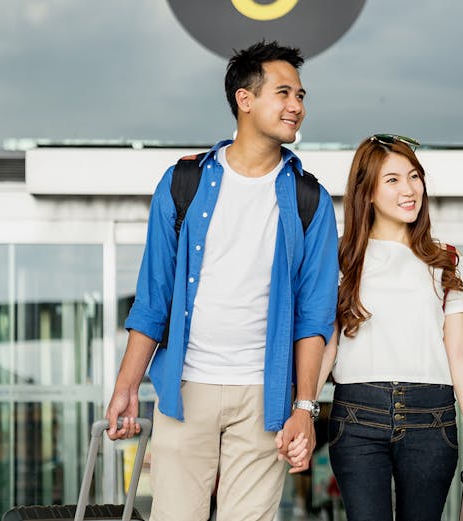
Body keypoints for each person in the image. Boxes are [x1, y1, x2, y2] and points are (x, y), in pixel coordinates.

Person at [105, 40, 339, 521]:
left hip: (264, 395)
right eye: (284, 92)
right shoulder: (182, 183)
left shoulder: (309, 199)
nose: (297, 105)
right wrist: (127, 385)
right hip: (185, 388)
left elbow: (315, 316)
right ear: (245, 99)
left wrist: (305, 407)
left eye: (301, 96)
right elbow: (154, 297)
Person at [318, 134, 463, 521]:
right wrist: (301, 411)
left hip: (432, 418)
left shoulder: (446, 259)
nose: (409, 189)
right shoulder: (340, 257)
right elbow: (328, 346)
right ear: (366, 191)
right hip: (356, 416)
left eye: (415, 176)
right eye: (393, 180)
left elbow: (458, 354)